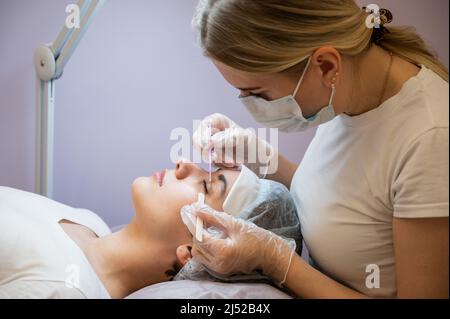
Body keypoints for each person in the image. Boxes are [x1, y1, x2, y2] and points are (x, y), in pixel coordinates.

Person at [183, 0, 449, 298]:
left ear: (326, 66)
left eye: (257, 94)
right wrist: (254, 152)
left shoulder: (430, 139)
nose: (251, 105)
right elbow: (346, 199)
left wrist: (276, 261)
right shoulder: (349, 92)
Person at [0, 161, 300, 299]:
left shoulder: (64, 291)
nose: (183, 165)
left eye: (207, 184)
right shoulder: (91, 224)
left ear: (198, 250)